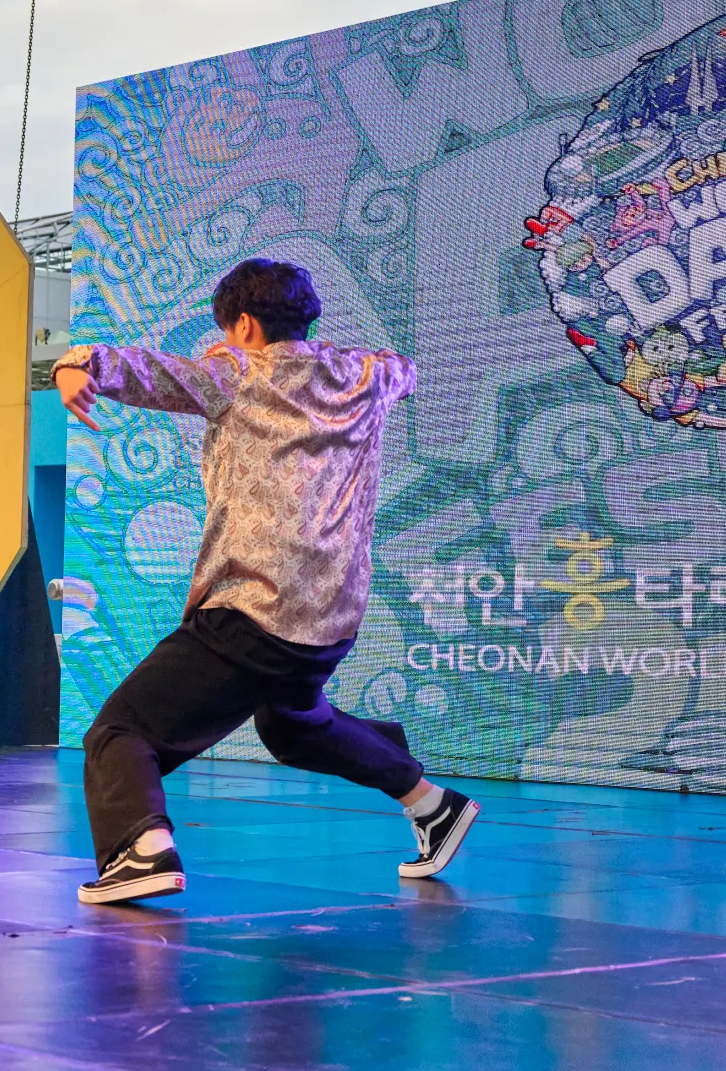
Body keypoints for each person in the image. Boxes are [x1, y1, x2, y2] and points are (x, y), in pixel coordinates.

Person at [53, 259, 480, 904]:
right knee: (293, 725)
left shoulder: (237, 376)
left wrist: (76, 364)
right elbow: (404, 368)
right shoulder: (367, 375)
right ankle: (432, 805)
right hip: (329, 619)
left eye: (227, 332)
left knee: (120, 732)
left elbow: (147, 370)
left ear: (245, 326)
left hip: (253, 610)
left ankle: (141, 850)